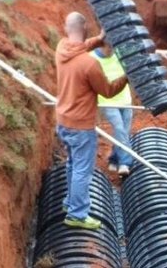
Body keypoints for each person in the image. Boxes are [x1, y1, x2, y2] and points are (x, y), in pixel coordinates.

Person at [55, 12, 128, 230]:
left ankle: (70, 203)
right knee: (82, 170)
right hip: (81, 126)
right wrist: (127, 76)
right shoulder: (89, 64)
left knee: (72, 164)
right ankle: (77, 214)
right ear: (85, 27)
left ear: (67, 29)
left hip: (63, 122)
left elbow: (81, 45)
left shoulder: (61, 49)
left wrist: (99, 38)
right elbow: (108, 90)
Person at [91, 41, 167, 176]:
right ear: (102, 43)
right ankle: (125, 163)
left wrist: (159, 52)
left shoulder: (119, 52)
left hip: (126, 100)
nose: (112, 48)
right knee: (119, 129)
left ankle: (113, 159)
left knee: (123, 132)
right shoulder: (92, 58)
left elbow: (139, 52)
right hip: (107, 102)